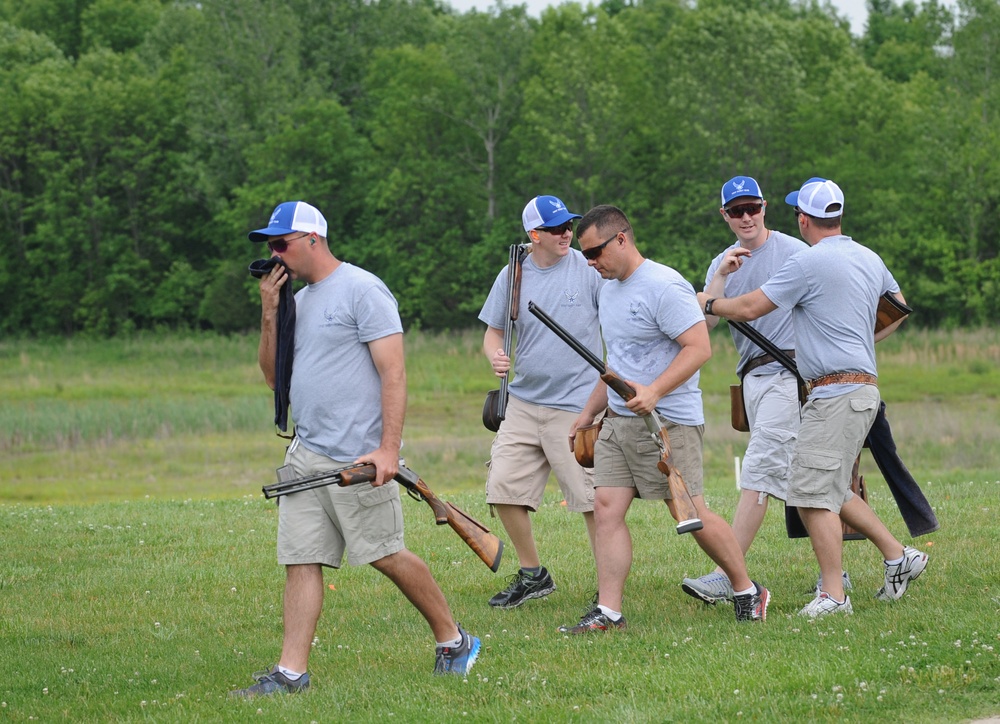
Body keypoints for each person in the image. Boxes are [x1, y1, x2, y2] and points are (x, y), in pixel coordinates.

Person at [231, 201, 479, 698]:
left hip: (359, 458)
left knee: (386, 555)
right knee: (301, 559)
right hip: (305, 454)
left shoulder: (363, 290)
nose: (274, 254)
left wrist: (388, 449)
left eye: (281, 244)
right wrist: (270, 312)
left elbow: (395, 373)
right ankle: (290, 673)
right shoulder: (295, 302)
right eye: (269, 247)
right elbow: (271, 377)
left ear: (313, 241)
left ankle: (455, 642)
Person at [696, 178, 929, 618]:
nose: (746, 216)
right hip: (859, 386)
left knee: (807, 492)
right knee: (824, 487)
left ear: (802, 219)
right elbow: (898, 306)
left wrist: (707, 303)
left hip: (832, 389)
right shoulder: (868, 256)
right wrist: (862, 339)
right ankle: (898, 556)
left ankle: (834, 595)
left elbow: (748, 309)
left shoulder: (806, 262)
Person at [558, 204, 770, 634]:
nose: (591, 263)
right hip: (618, 421)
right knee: (605, 507)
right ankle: (609, 611)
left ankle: (747, 589)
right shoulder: (609, 290)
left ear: (621, 240)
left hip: (670, 422)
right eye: (586, 256)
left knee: (689, 512)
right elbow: (616, 363)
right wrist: (586, 414)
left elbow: (698, 348)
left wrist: (654, 391)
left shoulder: (664, 285)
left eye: (596, 252)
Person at [681, 176, 851, 605]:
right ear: (724, 216)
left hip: (790, 374)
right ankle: (871, 561)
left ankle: (727, 573)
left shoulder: (795, 252)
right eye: (735, 211)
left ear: (765, 207)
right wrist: (719, 277)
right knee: (808, 477)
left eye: (752, 208)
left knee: (759, 468)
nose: (746, 217)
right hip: (753, 378)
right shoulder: (721, 262)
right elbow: (706, 327)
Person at [478, 195, 603, 609]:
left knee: (591, 501)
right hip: (523, 402)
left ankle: (609, 589)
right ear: (534, 235)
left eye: (569, 225)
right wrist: (494, 354)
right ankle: (534, 575)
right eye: (556, 228)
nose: (567, 233)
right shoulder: (512, 273)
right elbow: (492, 332)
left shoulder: (588, 269)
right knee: (502, 489)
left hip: (577, 405)